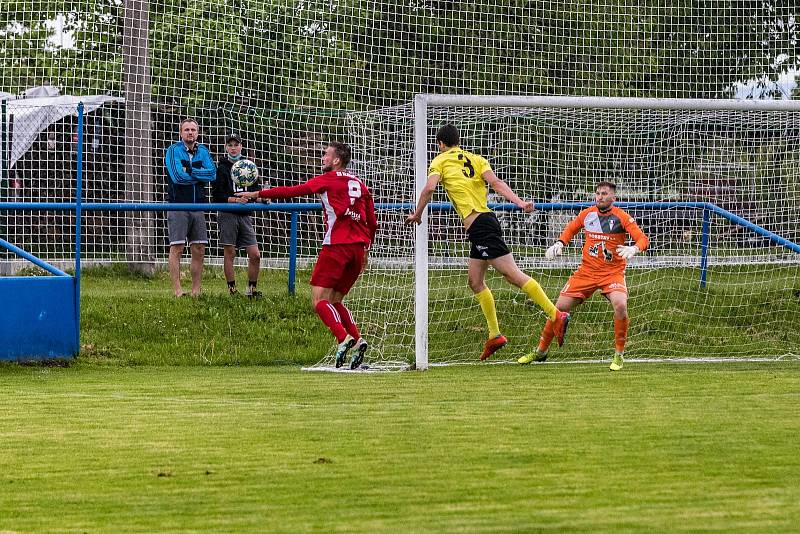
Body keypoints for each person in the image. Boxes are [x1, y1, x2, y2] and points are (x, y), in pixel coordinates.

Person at [405, 123, 570, 361]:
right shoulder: (476, 159)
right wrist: (520, 202)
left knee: (513, 275)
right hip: (482, 224)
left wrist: (418, 213)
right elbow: (497, 183)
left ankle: (556, 315)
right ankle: (494, 335)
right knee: (475, 281)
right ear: (458, 141)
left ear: (440, 144)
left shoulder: (440, 161)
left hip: (481, 225)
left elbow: (430, 188)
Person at [237, 142, 377, 369]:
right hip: (358, 249)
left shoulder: (327, 180)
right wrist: (366, 250)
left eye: (325, 155)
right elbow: (372, 220)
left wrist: (257, 193)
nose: (322, 158)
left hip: (337, 246)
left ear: (336, 161)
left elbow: (292, 191)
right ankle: (357, 338)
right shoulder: (359, 184)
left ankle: (343, 338)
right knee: (336, 301)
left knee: (319, 300)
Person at [518, 181, 649, 371]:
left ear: (614, 197)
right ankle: (541, 351)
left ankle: (619, 355)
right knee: (558, 309)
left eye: (604, 193)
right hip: (585, 273)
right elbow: (571, 228)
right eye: (597, 193)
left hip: (611, 273)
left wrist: (635, 248)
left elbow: (643, 238)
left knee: (620, 305)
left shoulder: (622, 217)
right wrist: (560, 243)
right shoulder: (587, 215)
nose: (600, 196)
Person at [164, 118, 216, 297]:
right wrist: (200, 175)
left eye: (193, 129)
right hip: (178, 205)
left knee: (199, 248)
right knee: (177, 247)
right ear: (180, 133)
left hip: (198, 206)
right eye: (186, 129)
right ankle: (178, 290)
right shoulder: (173, 150)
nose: (190, 132)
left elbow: (212, 174)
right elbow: (177, 176)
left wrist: (192, 172)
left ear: (198, 132)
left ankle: (195, 290)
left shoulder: (203, 151)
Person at [211, 134, 262, 298]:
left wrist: (261, 197)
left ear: (241, 147)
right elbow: (217, 195)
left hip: (245, 214)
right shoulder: (222, 167)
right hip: (228, 214)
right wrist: (235, 200)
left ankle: (251, 290)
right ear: (226, 147)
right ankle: (232, 291)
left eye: (236, 144)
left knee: (255, 254)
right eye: (230, 145)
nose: (233, 147)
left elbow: (256, 190)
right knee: (230, 252)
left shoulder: (248, 166)